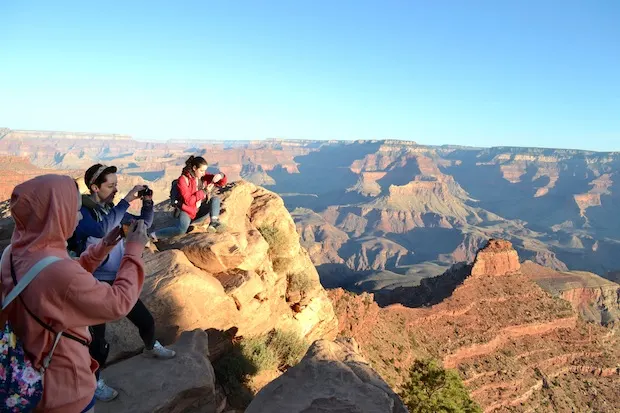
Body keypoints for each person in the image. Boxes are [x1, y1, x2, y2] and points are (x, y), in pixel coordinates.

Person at [0, 174, 149, 413]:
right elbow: (118, 304)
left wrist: (105, 245)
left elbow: (63, 274)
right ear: (55, 213)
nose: (79, 216)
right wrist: (133, 251)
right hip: (65, 390)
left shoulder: (14, 252)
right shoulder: (57, 271)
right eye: (75, 209)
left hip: (28, 379)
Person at [70, 164, 176, 403]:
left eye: (118, 185)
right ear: (95, 187)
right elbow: (101, 228)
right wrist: (127, 199)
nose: (116, 189)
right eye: (111, 186)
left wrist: (148, 202)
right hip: (94, 283)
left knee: (146, 321)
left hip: (117, 281)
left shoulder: (111, 209)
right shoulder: (84, 213)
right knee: (98, 342)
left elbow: (143, 224)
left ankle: (150, 347)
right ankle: (94, 382)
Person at [150, 155, 227, 240]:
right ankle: (153, 235)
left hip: (199, 210)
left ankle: (214, 223)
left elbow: (221, 183)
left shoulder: (203, 177)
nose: (204, 173)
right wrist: (204, 191)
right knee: (181, 230)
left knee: (215, 199)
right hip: (187, 211)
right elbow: (188, 201)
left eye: (205, 170)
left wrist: (221, 175)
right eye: (201, 170)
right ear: (194, 168)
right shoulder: (182, 180)